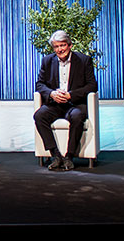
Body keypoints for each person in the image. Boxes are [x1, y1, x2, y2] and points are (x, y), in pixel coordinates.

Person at [34, 30, 98, 171]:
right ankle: (56, 156)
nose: (60, 49)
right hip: (55, 104)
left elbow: (92, 85)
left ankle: (69, 156)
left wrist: (71, 95)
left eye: (62, 45)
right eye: (56, 47)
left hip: (75, 104)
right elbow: (39, 84)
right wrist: (51, 94)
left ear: (70, 45)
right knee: (39, 115)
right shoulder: (47, 61)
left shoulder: (83, 60)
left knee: (76, 116)